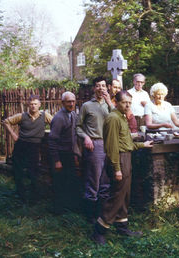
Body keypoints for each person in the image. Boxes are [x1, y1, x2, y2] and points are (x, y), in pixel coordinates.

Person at [91, 91, 153, 245]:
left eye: (129, 103)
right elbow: (112, 147)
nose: (127, 105)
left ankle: (122, 225)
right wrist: (117, 169)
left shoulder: (122, 117)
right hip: (118, 160)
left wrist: (142, 145)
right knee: (117, 195)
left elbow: (125, 142)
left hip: (126, 157)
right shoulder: (113, 118)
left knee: (125, 194)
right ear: (115, 102)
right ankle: (99, 229)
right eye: (124, 102)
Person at [76, 76, 113, 223]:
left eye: (103, 86)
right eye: (98, 86)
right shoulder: (86, 106)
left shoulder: (110, 105)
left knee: (106, 181)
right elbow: (78, 127)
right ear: (94, 88)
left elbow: (119, 119)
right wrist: (86, 137)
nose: (101, 88)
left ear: (107, 88)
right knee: (94, 180)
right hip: (95, 144)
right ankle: (90, 216)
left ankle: (102, 214)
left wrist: (109, 102)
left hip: (109, 144)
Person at [3, 95, 53, 202]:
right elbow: (6, 122)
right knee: (18, 171)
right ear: (28, 105)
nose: (33, 106)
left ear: (39, 105)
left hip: (34, 147)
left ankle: (34, 196)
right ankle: (20, 194)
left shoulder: (44, 115)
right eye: (31, 104)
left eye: (35, 104)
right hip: (21, 145)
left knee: (33, 171)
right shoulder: (22, 116)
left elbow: (55, 123)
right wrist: (13, 135)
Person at [48, 91, 80, 214]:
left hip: (69, 154)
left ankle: (68, 207)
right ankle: (58, 210)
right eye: (68, 102)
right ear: (63, 103)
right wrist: (56, 160)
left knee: (70, 181)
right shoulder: (59, 118)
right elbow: (52, 140)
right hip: (60, 155)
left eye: (73, 101)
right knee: (59, 183)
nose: (71, 104)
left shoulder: (73, 115)